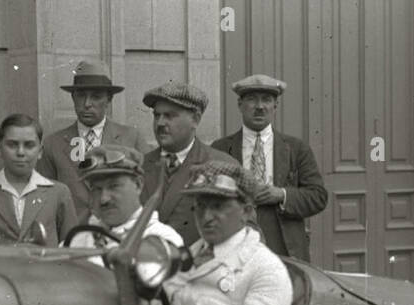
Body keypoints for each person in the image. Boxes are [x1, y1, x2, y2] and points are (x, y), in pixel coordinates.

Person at [162, 162, 293, 305]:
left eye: (218, 206)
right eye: (201, 206)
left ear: (246, 212)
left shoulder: (264, 268)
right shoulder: (187, 256)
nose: (206, 217)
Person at [212, 74, 326, 261]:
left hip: (285, 247)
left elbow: (318, 197)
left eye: (266, 100)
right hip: (235, 245)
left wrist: (282, 195)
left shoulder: (297, 149)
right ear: (240, 105)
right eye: (251, 99)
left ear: (275, 106)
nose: (259, 107)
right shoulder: (220, 148)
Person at [37, 60, 150, 223]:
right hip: (72, 236)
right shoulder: (52, 144)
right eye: (81, 96)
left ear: (109, 100)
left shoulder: (132, 138)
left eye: (96, 97)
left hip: (118, 233)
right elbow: (46, 200)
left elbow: (146, 190)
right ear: (73, 98)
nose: (87, 104)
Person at [140, 81, 238, 247]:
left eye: (170, 116)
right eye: (157, 115)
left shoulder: (223, 166)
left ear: (195, 119)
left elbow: (245, 230)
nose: (160, 123)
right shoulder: (139, 166)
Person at [0, 115, 77, 245]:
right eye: (12, 145)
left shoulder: (58, 193)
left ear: (40, 151)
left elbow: (71, 248)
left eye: (29, 145)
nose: (20, 152)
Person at [66, 145, 183, 266]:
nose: (103, 199)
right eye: (96, 189)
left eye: (114, 186)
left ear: (138, 185)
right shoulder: (79, 239)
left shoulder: (162, 241)